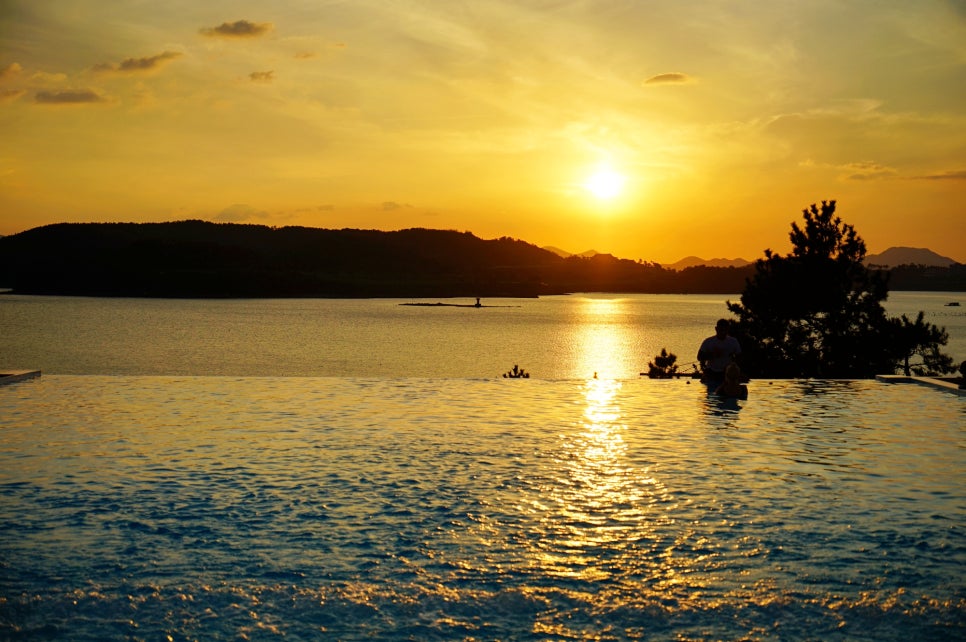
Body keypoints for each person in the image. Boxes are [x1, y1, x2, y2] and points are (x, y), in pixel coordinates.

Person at [697, 319, 741, 387]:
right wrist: (712, 354)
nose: (723, 332)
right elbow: (699, 357)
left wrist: (734, 367)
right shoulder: (708, 341)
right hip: (711, 372)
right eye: (721, 330)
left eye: (724, 330)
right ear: (716, 329)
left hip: (727, 373)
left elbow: (740, 357)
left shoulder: (733, 342)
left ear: (728, 330)